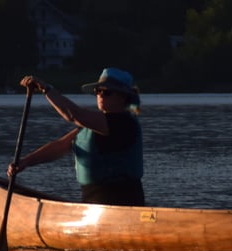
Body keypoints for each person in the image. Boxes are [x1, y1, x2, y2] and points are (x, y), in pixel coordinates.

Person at [8, 67, 145, 206]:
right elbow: (60, 146)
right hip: (93, 203)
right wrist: (25, 162)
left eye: (107, 92)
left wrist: (46, 89)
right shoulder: (92, 126)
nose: (101, 95)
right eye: (98, 91)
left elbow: (74, 115)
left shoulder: (123, 123)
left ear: (123, 97)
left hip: (122, 202)